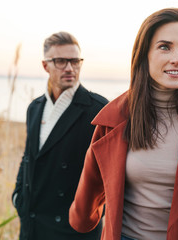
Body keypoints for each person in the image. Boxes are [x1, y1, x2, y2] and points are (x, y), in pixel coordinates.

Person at [69, 8, 178, 240]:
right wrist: (83, 217)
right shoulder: (114, 118)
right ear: (144, 54)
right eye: (165, 46)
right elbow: (88, 196)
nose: (177, 58)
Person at [12, 31, 107, 240]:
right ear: (46, 66)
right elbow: (29, 158)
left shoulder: (99, 110)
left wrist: (87, 217)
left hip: (72, 230)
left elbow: (111, 175)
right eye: (61, 61)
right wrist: (18, 197)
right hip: (32, 225)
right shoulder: (34, 108)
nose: (70, 68)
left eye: (75, 61)